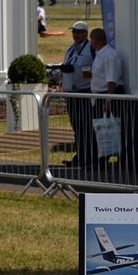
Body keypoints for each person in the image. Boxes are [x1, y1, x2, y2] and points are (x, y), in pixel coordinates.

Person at [84, 27, 125, 167]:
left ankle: (107, 160)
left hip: (106, 96)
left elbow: (111, 80)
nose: (91, 42)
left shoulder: (109, 55)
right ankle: (100, 159)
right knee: (99, 129)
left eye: (91, 39)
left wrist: (109, 99)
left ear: (96, 39)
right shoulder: (99, 54)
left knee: (108, 129)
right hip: (98, 96)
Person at [58, 21, 94, 166]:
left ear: (86, 33)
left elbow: (95, 69)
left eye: (79, 32)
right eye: (74, 32)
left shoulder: (91, 48)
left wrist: (78, 71)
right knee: (77, 127)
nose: (76, 35)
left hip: (84, 92)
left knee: (86, 126)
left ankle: (89, 156)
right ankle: (80, 155)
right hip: (70, 94)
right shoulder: (70, 49)